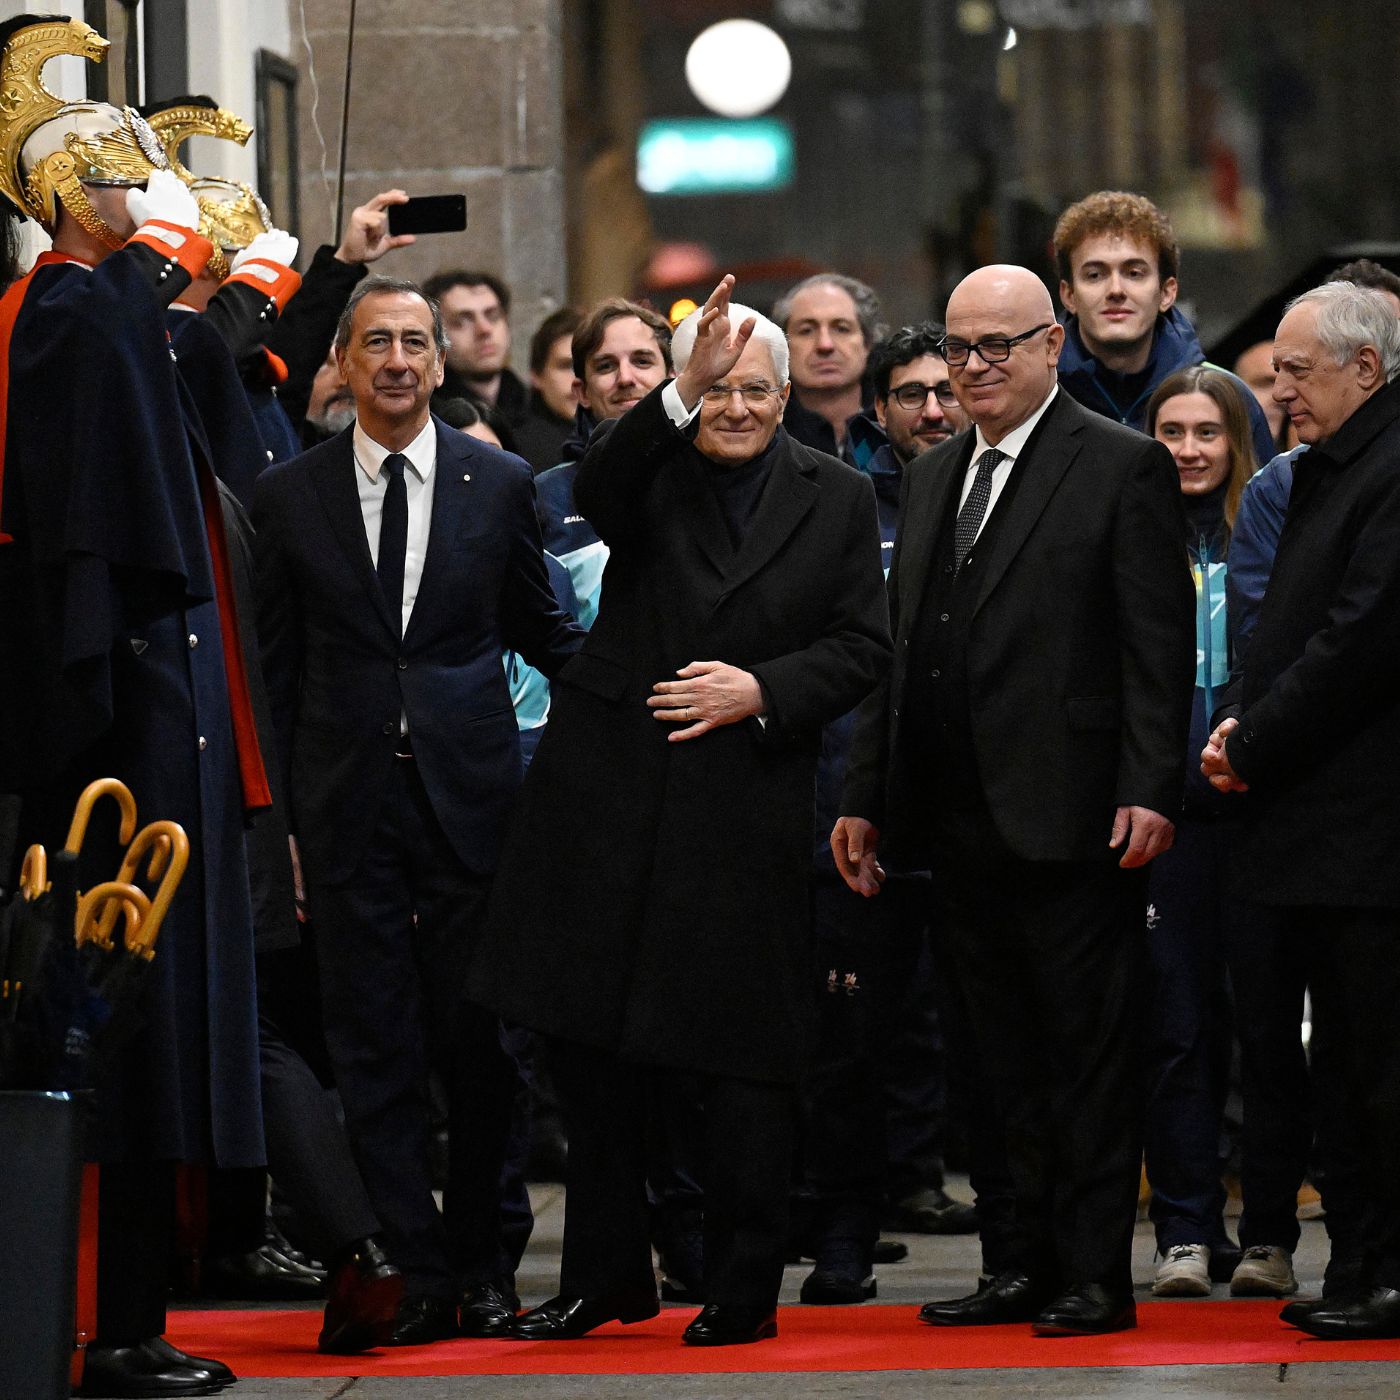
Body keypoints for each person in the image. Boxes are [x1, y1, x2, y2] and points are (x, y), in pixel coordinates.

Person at [469, 274, 891, 1347]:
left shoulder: (835, 495)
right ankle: (604, 1275)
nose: (735, 408)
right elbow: (600, 483)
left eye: (754, 389)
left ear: (786, 395)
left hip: (741, 799)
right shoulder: (645, 469)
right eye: (716, 390)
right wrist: (677, 385)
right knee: (591, 1050)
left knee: (744, 1057)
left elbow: (861, 647)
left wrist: (763, 690)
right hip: (605, 795)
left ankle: (743, 1282)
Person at [836, 264, 1195, 1337]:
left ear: (1052, 343)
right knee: (987, 1064)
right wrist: (865, 794)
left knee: (1078, 1054)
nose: (976, 366)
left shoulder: (1120, 465)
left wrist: (1148, 785)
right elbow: (898, 655)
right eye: (959, 347)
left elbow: (1153, 646)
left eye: (1000, 344)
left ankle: (1090, 1273)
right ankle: (1013, 1260)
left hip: (1072, 812)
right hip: (949, 816)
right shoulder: (937, 471)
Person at [0, 16, 267, 1396]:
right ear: (59, 197)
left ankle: (129, 1314)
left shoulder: (100, 315)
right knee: (110, 1014)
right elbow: (87, 533)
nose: (136, 190)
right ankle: (110, 1322)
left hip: (146, 689)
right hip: (106, 708)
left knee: (149, 1018)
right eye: (112, 173)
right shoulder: (65, 313)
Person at [252, 275, 582, 1345]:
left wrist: (644, 689)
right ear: (342, 366)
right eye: (375, 342)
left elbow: (542, 627)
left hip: (472, 801)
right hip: (344, 805)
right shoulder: (286, 495)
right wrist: (280, 828)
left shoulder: (500, 482)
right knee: (373, 1047)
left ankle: (487, 1263)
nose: (396, 360)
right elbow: (271, 671)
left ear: (440, 366)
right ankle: (411, 1267)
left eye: (413, 343)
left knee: (483, 1044)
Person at [1202, 282, 1400, 1341]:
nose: (1275, 389)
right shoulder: (1327, 466)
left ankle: (1383, 1271)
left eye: (1294, 369)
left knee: (1374, 1065)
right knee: (1343, 1069)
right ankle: (1360, 1264)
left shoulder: (1387, 464)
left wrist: (1253, 738)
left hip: (1365, 830)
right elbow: (1278, 618)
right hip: (1315, 825)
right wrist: (1241, 723)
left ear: (1363, 369)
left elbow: (1360, 637)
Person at [801, 322, 977, 1306]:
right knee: (850, 1036)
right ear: (878, 410)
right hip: (859, 798)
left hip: (974, 804)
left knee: (972, 1032)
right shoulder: (845, 507)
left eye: (943, 388)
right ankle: (842, 1231)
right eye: (909, 393)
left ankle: (1001, 1233)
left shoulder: (995, 501)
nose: (932, 407)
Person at [1138, 366, 1258, 1297]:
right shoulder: (1130, 534)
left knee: (1259, 1028)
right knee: (1174, 1025)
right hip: (1162, 818)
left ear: (1236, 440)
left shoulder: (1269, 533)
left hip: (1260, 814)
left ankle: (1264, 1231)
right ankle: (1184, 1228)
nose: (1188, 449)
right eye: (1171, 430)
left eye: (1206, 432)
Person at [1053, 190, 1275, 466]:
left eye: (1134, 273)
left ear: (1167, 293)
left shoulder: (1230, 398)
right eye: (1095, 275)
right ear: (1069, 295)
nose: (1116, 290)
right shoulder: (1036, 399)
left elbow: (1263, 506)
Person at [774, 272, 884, 456]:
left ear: (868, 342)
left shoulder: (897, 426)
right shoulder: (763, 434)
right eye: (806, 330)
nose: (825, 345)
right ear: (783, 345)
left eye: (841, 328)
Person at [421, 268, 529, 426]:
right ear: (435, 337)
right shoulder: (426, 420)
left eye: (493, 316)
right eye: (462, 321)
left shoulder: (537, 409)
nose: (484, 329)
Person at [512, 306, 584, 471]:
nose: (579, 379)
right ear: (536, 375)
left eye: (592, 365)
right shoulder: (518, 450)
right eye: (567, 366)